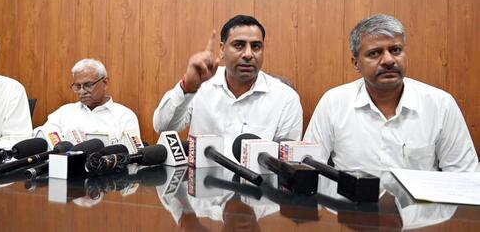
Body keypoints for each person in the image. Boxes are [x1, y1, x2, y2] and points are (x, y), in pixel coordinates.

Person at [303, 14, 478, 172]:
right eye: (374, 53)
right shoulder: (334, 102)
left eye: (395, 50)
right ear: (356, 63)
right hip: (349, 206)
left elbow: (463, 175)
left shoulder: (440, 104)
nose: (388, 60)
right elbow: (307, 166)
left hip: (420, 208)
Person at [153, 15, 303, 157]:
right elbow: (163, 128)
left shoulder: (286, 98)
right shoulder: (202, 85)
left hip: (257, 183)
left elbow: (286, 161)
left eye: (256, 46)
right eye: (239, 45)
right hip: (202, 182)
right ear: (222, 49)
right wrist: (187, 88)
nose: (248, 54)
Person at [34, 58, 140, 145]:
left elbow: (133, 157)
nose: (82, 91)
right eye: (77, 86)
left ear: (105, 83)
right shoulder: (64, 112)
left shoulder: (125, 116)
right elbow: (41, 136)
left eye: (88, 85)